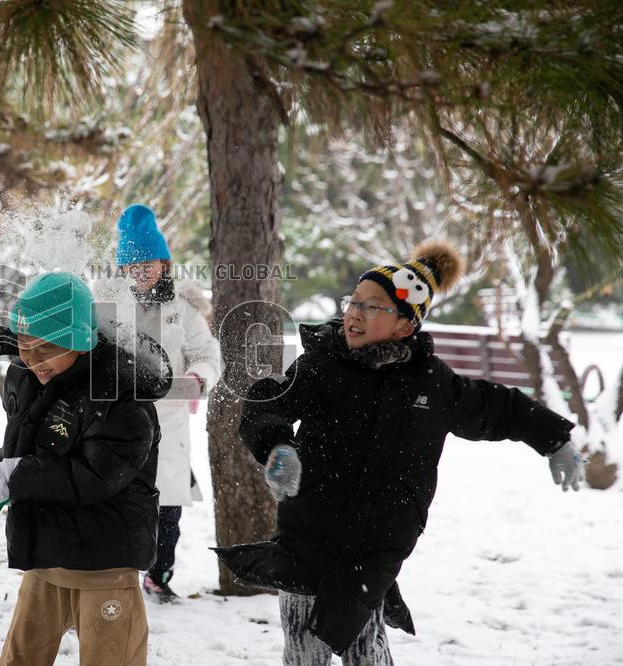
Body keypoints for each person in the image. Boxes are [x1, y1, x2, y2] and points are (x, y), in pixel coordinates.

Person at [214, 241, 585, 665]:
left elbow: (498, 408)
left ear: (406, 326)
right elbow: (268, 403)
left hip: (377, 547)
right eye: (353, 302)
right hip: (310, 534)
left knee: (366, 650)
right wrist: (277, 444)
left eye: (372, 307)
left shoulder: (431, 384)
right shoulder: (323, 367)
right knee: (305, 651)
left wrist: (554, 437)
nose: (354, 313)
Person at [0, 271, 173, 666]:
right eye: (26, 346)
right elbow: (33, 449)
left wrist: (14, 479)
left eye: (46, 349)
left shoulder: (120, 396)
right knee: (20, 659)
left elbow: (94, 477)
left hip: (104, 564)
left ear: (79, 342)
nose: (32, 359)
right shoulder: (28, 377)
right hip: (46, 558)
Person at [110, 203, 223, 603]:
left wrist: (198, 380)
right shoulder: (103, 305)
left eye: (150, 263)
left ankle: (158, 577)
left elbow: (207, 356)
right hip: (116, 421)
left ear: (164, 263)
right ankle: (116, 574)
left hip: (169, 422)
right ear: (123, 268)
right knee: (118, 501)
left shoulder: (184, 309)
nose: (143, 271)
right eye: (134, 265)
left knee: (167, 508)